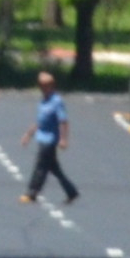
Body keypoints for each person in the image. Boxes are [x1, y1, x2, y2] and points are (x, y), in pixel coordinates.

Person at [25, 71, 79, 204]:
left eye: (45, 86)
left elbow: (63, 121)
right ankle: (71, 192)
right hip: (42, 137)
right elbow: (41, 121)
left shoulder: (57, 101)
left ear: (51, 86)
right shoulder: (44, 101)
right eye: (40, 86)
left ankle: (32, 192)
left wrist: (63, 139)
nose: (42, 88)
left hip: (50, 140)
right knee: (54, 169)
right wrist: (29, 134)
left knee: (40, 166)